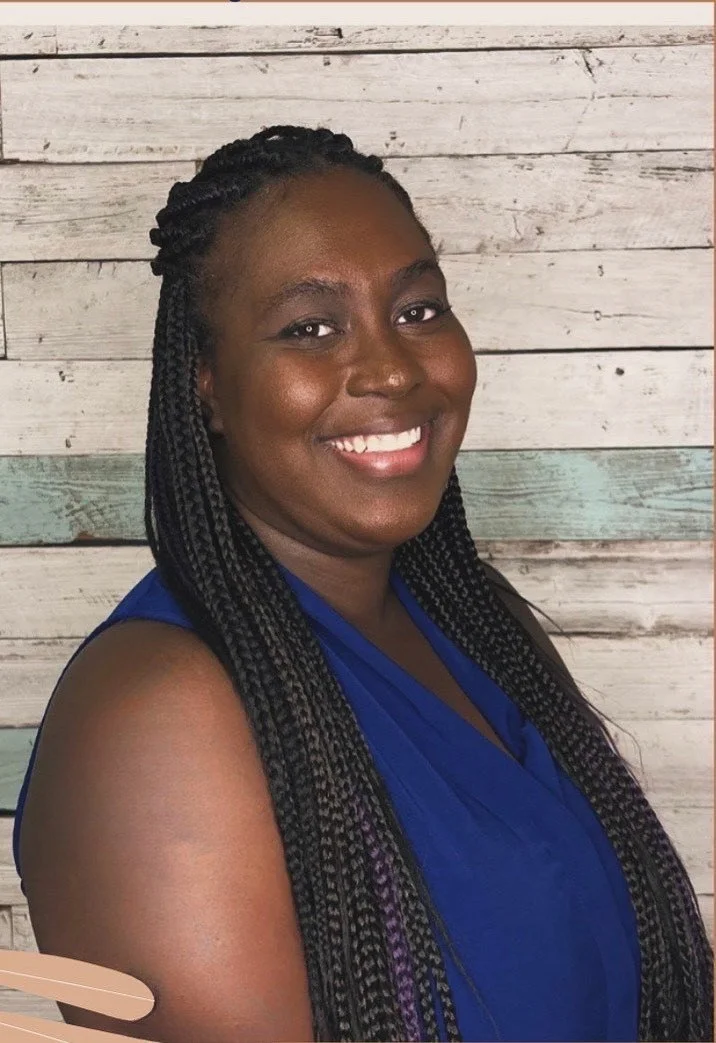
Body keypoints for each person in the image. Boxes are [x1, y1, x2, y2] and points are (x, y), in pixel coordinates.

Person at [12, 125, 712, 1043]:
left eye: (419, 309)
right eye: (311, 327)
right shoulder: (157, 712)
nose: (391, 368)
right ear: (208, 388)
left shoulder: (475, 628)